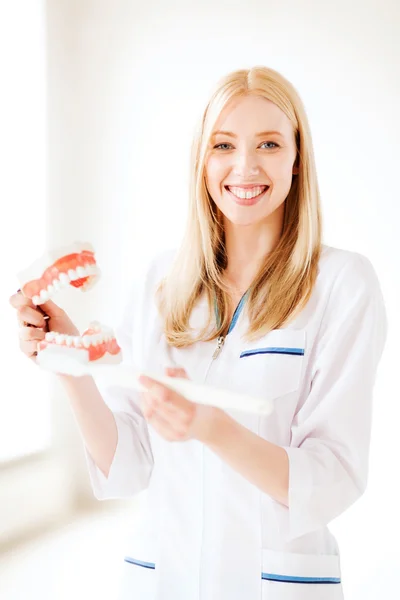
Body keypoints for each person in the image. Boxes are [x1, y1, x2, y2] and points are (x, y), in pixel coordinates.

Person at [9, 66, 387, 600]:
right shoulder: (162, 283)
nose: (245, 166)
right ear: (201, 161)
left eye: (269, 144)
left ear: (297, 159)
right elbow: (128, 465)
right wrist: (69, 361)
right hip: (162, 579)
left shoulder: (343, 285)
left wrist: (212, 427)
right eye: (224, 144)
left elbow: (332, 478)